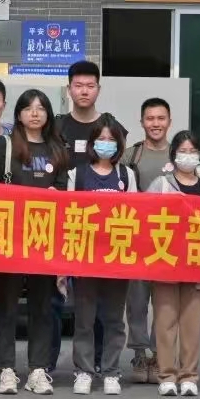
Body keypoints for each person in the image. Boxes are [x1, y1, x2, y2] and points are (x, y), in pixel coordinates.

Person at [0, 89, 68, 396]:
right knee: (5, 304)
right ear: (19, 114)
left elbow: (64, 192)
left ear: (48, 114)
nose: (35, 113)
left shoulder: (57, 149)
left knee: (43, 305)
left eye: (41, 108)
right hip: (9, 237)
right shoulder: (4, 146)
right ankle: (6, 368)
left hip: (44, 238)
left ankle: (38, 369)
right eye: (29, 108)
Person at [56, 61, 127, 372]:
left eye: (90, 85)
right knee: (79, 310)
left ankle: (106, 366)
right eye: (78, 85)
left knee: (110, 314)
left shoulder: (114, 129)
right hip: (77, 237)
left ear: (99, 88)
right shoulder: (57, 127)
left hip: (113, 242)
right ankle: (77, 368)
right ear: (69, 88)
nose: (84, 91)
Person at [66, 114, 136, 396]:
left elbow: (137, 215)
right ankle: (83, 371)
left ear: (118, 144)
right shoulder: (77, 174)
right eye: (101, 138)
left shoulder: (126, 175)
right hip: (85, 257)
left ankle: (111, 371)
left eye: (111, 139)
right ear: (92, 143)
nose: (105, 143)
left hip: (117, 257)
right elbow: (67, 214)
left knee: (114, 319)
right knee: (84, 318)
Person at [146, 130, 200, 397]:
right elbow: (143, 217)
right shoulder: (160, 185)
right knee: (165, 321)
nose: (188, 156)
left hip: (196, 264)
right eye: (183, 151)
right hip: (165, 261)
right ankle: (166, 375)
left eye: (192, 151)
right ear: (173, 154)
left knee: (192, 323)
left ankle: (189, 376)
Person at [121, 97, 173, 385]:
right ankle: (139, 354)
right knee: (137, 302)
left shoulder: (179, 154)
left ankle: (158, 354)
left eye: (160, 118)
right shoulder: (131, 155)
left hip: (167, 241)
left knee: (164, 300)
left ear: (169, 121)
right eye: (150, 118)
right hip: (136, 241)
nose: (155, 124)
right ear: (142, 122)